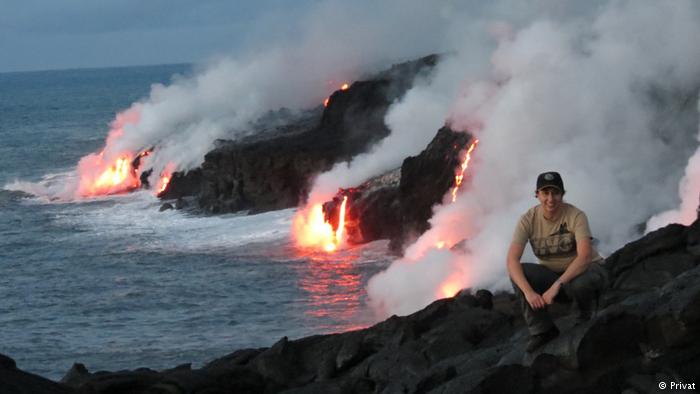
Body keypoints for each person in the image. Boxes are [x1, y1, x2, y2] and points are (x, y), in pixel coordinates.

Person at [506, 171, 608, 352]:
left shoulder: (576, 216)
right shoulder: (528, 220)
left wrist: (556, 286)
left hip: (588, 271)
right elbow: (512, 260)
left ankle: (584, 318)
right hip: (554, 276)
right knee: (520, 272)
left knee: (581, 282)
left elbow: (584, 257)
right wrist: (529, 292)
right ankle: (542, 330)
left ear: (563, 194)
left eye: (556, 193)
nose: (551, 199)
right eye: (545, 193)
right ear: (537, 194)